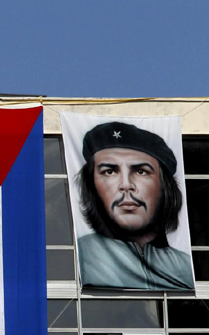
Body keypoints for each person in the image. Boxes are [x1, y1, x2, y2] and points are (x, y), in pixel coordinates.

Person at [75, 121, 194, 290]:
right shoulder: (78, 255)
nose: (126, 185)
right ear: (92, 186)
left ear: (164, 186)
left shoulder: (185, 266)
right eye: (109, 171)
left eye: (141, 171)